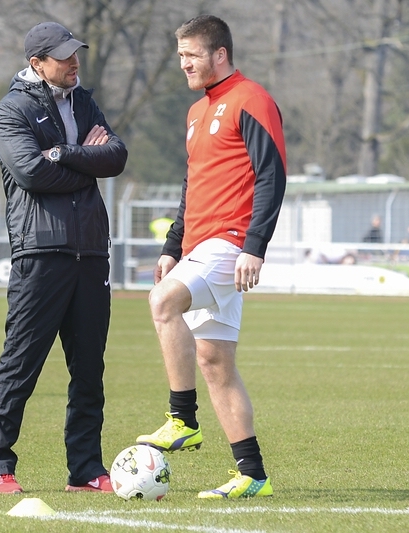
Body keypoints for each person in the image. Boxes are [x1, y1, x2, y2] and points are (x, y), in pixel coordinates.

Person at [135, 15, 286, 499]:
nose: (184, 65)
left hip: (230, 242)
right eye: (180, 56)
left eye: (192, 56)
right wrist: (171, 247)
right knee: (215, 360)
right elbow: (191, 184)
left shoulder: (252, 99)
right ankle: (252, 474)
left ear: (220, 54)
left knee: (162, 304)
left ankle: (181, 418)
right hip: (199, 245)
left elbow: (272, 176)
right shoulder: (197, 112)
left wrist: (254, 247)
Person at [0, 22, 127, 494]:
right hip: (40, 253)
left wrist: (63, 153)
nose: (74, 62)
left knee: (89, 369)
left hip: (90, 253)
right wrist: (86, 163)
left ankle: (85, 469)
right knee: (21, 363)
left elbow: (117, 157)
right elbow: (32, 173)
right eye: (64, 56)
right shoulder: (12, 109)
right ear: (37, 64)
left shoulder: (83, 101)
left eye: (75, 53)